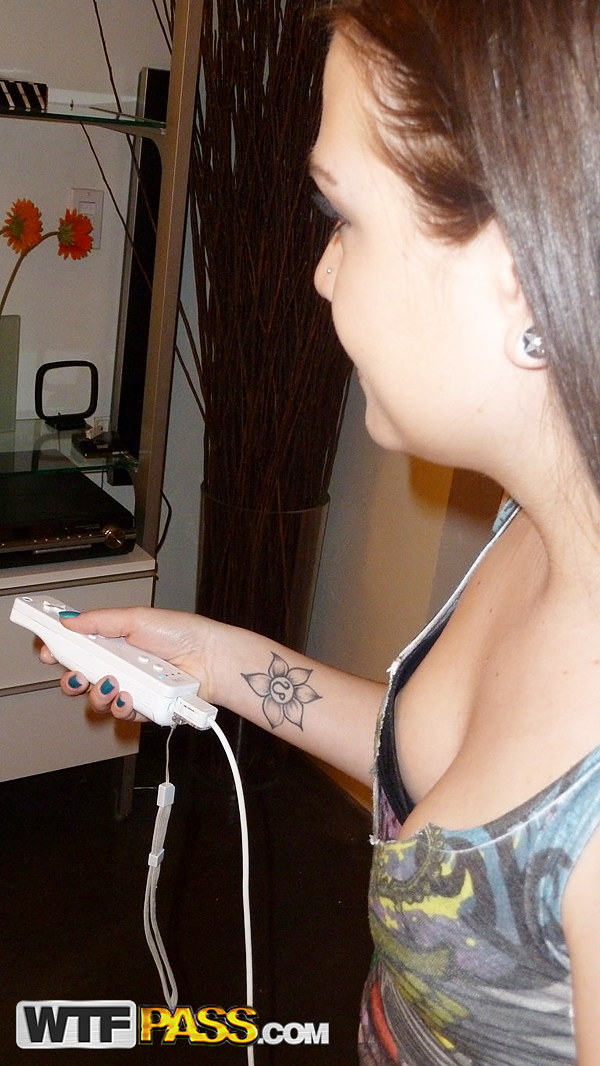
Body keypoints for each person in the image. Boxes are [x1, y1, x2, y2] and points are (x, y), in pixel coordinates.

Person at [42, 2, 600, 1062]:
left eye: (340, 214)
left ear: (521, 272)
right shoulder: (544, 518)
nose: (321, 271)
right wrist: (212, 660)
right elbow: (445, 780)